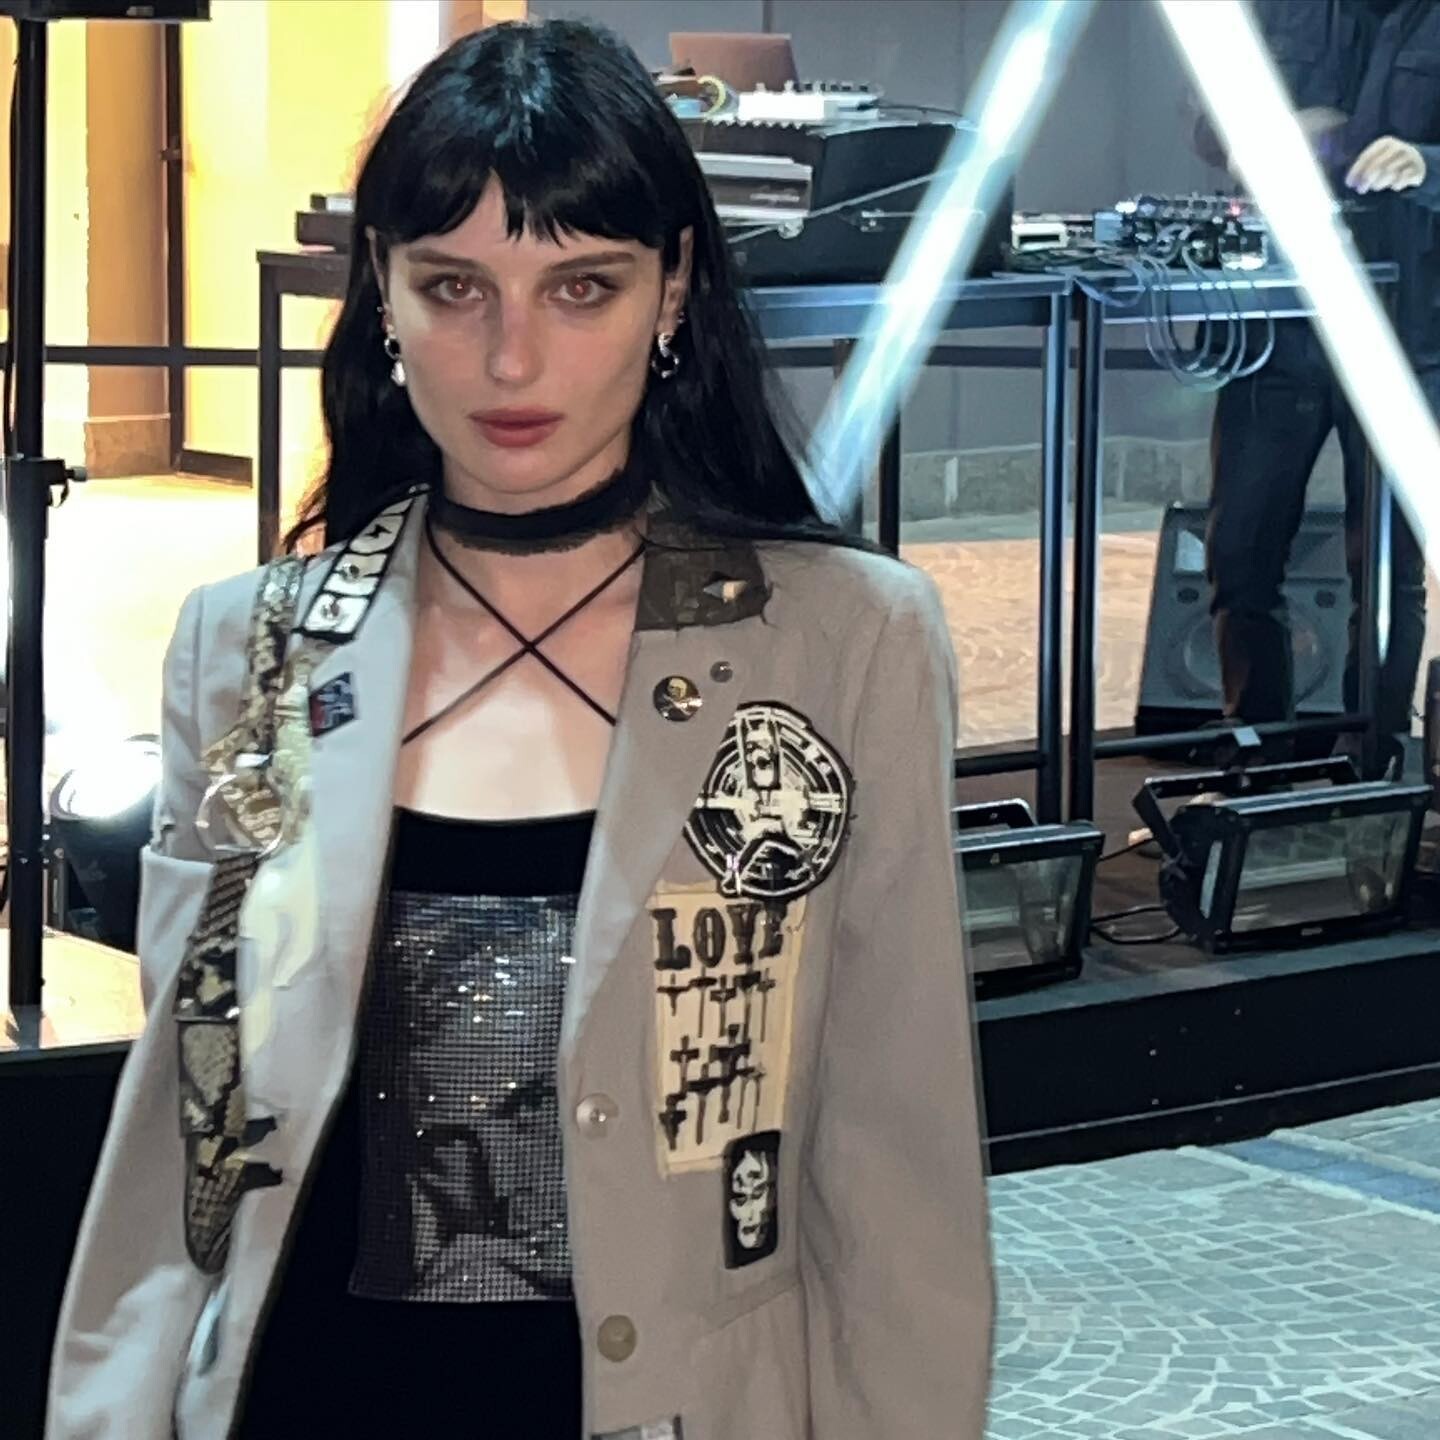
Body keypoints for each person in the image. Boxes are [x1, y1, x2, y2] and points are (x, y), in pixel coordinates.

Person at [47, 18, 993, 1440]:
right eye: (454, 287)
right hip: (311, 1400)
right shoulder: (249, 652)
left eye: (582, 286)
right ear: (382, 292)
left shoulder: (838, 645)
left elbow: (894, 1161)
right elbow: (184, 1136)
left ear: (674, 289)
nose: (511, 357)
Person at [1202, 0, 1440, 772]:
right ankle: (1255, 761)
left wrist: (1425, 163)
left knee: (1388, 571)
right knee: (1239, 552)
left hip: (1410, 331)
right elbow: (1209, 124)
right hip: (1279, 326)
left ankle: (1370, 772)